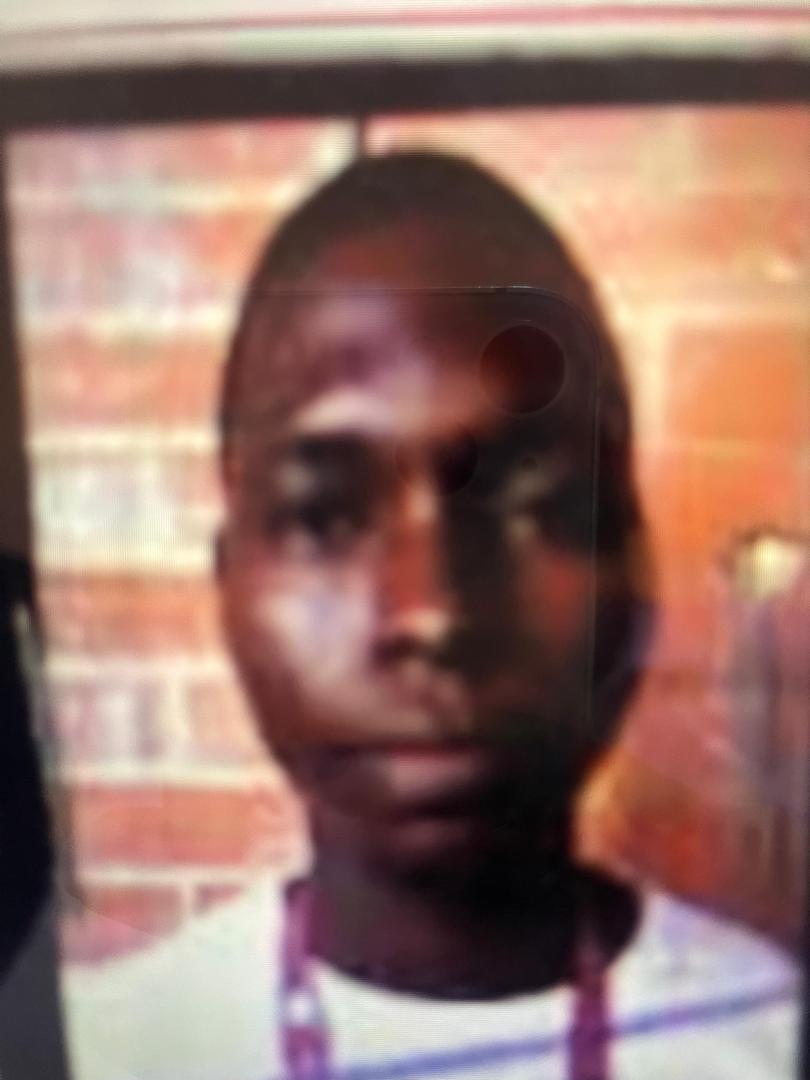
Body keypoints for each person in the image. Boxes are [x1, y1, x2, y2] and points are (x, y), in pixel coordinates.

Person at [63, 152, 799, 1080]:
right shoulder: (111, 1048)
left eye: (539, 506)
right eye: (325, 518)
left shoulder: (770, 1039)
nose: (433, 614)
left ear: (639, 573)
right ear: (228, 587)